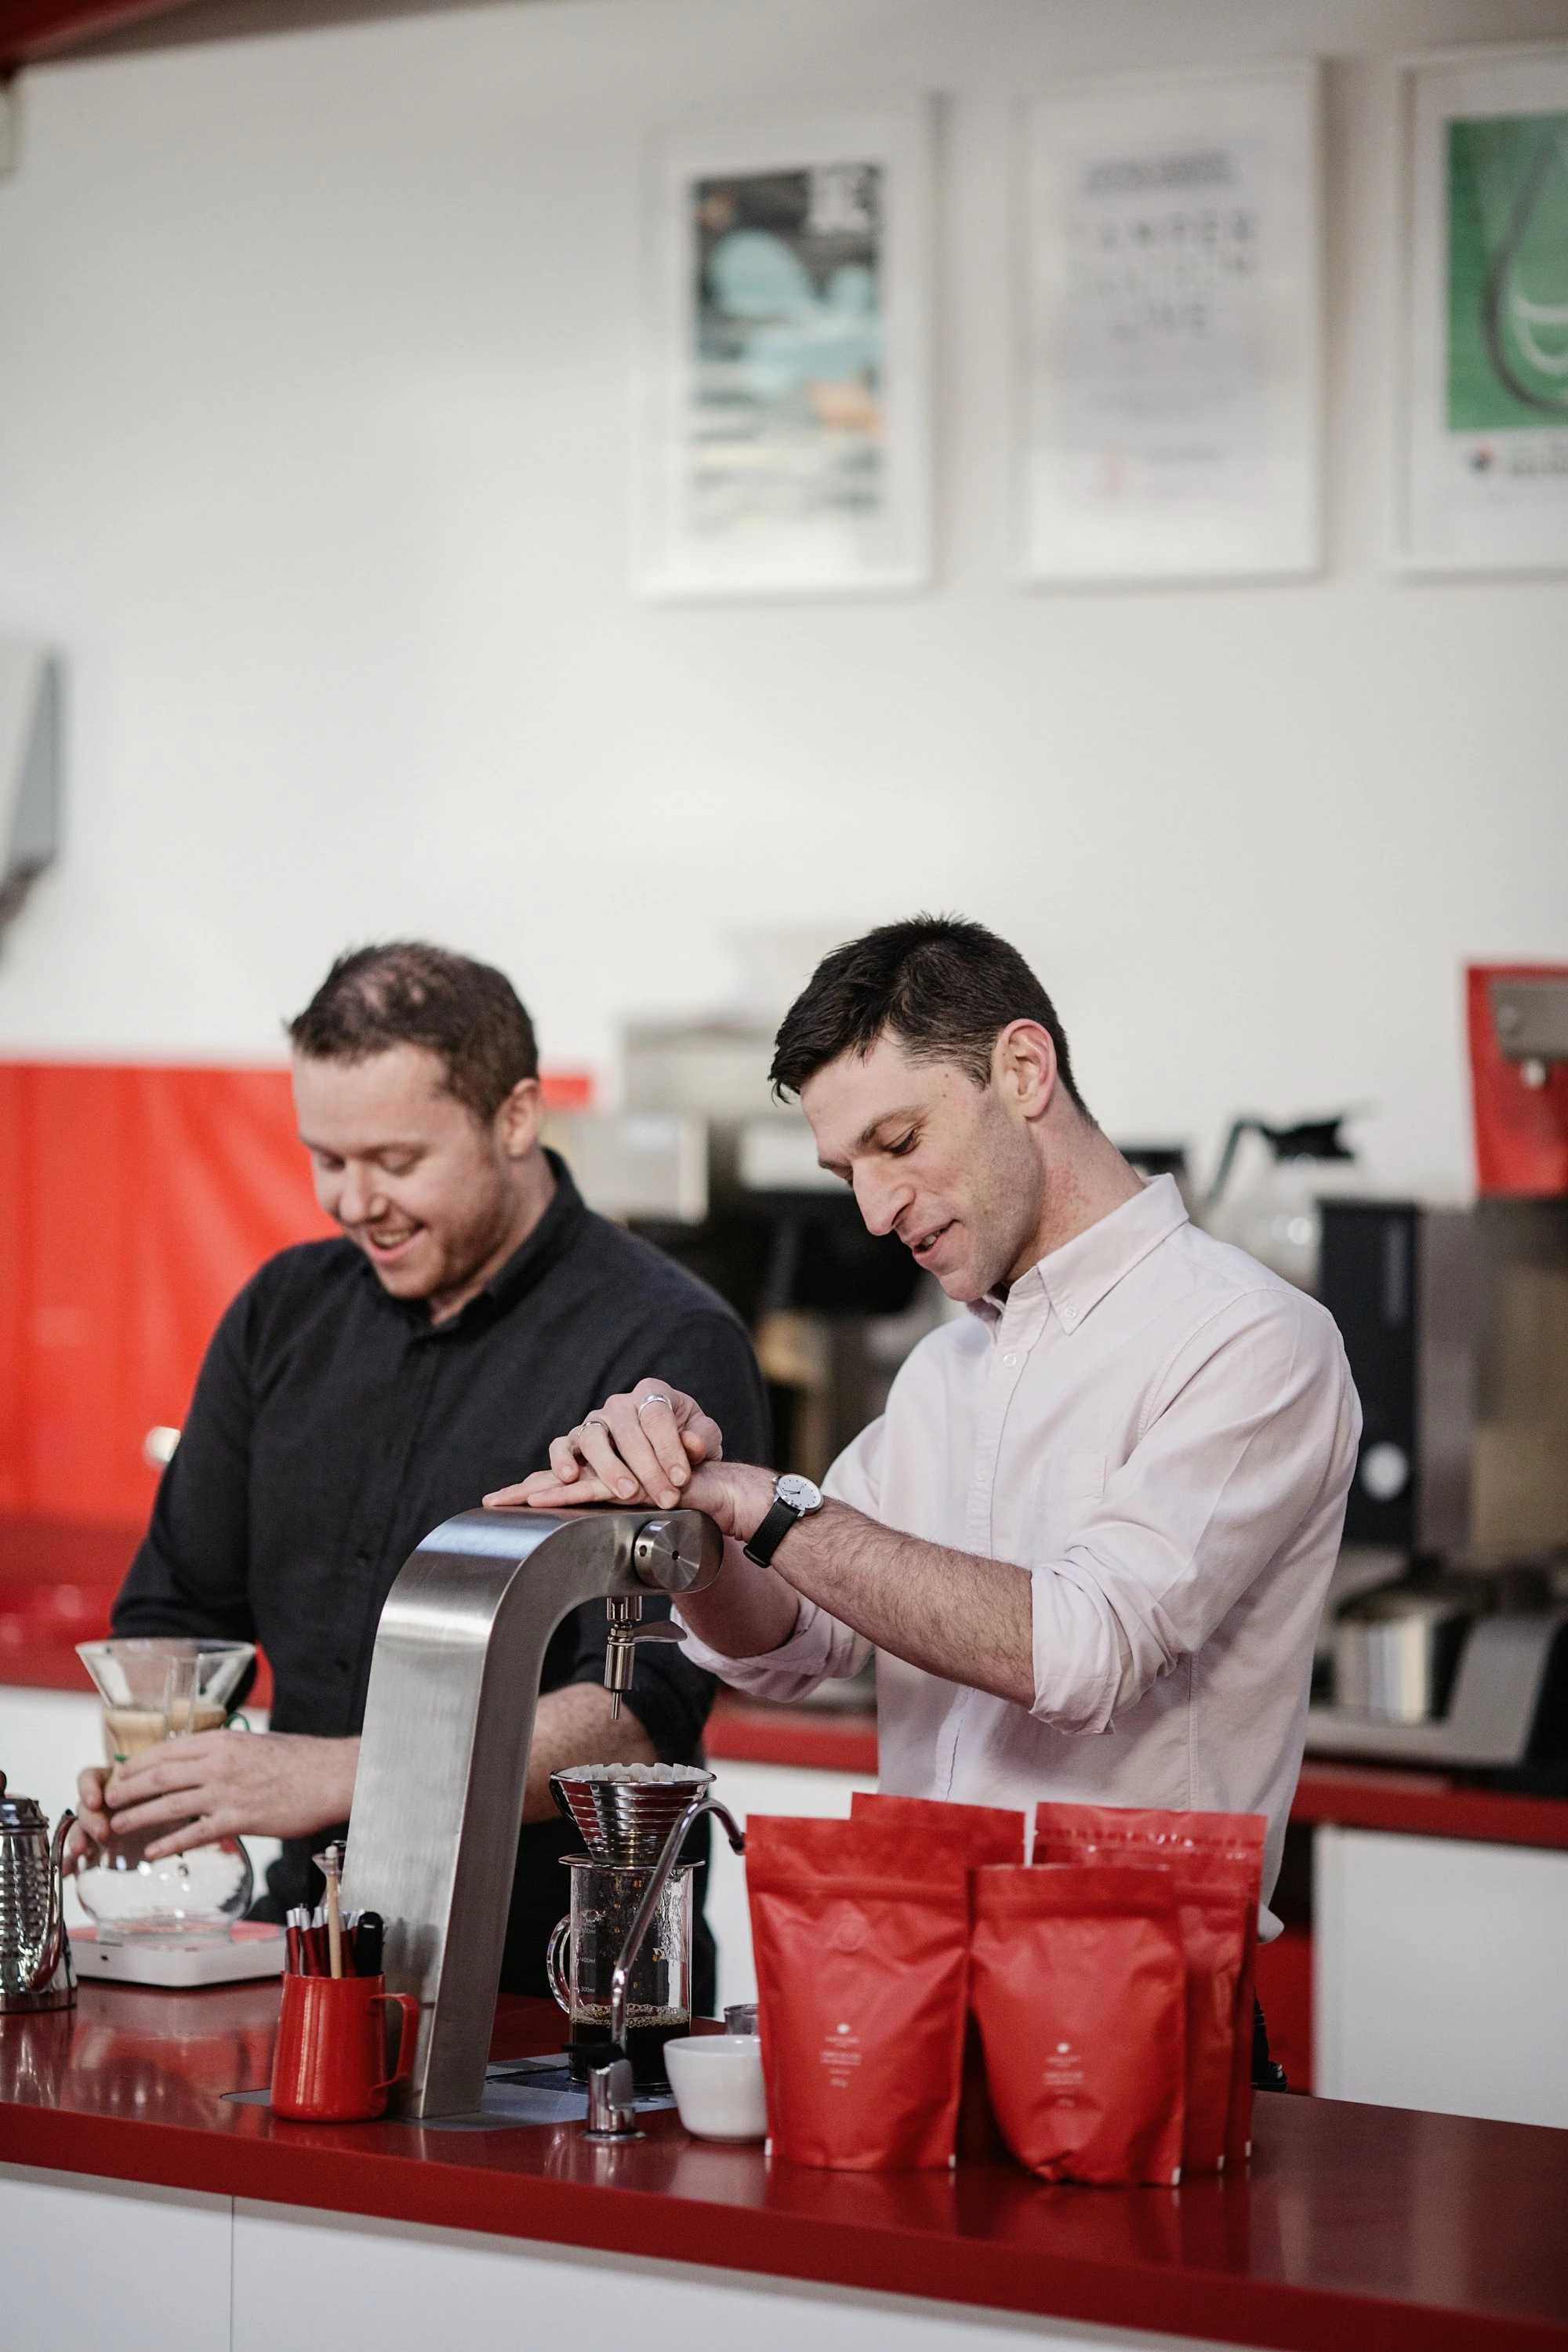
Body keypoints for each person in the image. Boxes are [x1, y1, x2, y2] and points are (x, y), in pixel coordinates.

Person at [492, 916, 1361, 2052]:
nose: (873, 1207)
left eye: (898, 1140)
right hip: (919, 1990)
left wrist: (770, 1505)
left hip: (1133, 2012)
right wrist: (693, 1513)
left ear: (1023, 1069)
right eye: (848, 1168)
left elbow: (1079, 1649)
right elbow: (788, 1639)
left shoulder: (1249, 1337)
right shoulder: (948, 1366)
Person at [73, 942, 768, 2000]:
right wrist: (166, 1769)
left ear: (517, 1117)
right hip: (301, 1959)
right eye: (327, 1159)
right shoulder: (281, 1314)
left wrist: (326, 1776)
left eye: (395, 1162)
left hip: (567, 1990)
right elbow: (178, 1608)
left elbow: (639, 1717)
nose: (354, 1204)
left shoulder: (663, 1344)